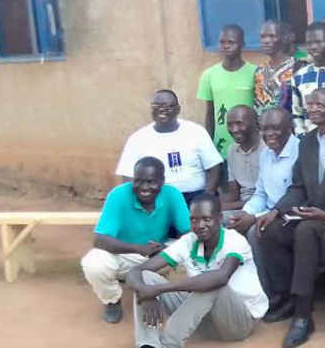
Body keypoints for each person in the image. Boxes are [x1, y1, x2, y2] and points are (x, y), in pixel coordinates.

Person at [256, 88, 325, 348]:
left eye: (321, 104)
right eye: (310, 104)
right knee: (270, 230)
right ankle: (287, 298)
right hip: (310, 212)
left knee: (306, 231)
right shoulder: (306, 141)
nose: (314, 108)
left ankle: (303, 315)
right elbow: (297, 187)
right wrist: (275, 210)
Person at [125, 193, 267, 348]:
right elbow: (136, 271)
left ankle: (168, 344)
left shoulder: (234, 240)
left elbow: (220, 278)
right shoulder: (188, 241)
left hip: (239, 321)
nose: (200, 225)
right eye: (194, 219)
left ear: (219, 219)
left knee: (212, 284)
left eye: (207, 219)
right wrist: (145, 292)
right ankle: (148, 344)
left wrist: (157, 290)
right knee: (146, 277)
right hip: (204, 319)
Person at [81, 157, 191, 324]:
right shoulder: (119, 195)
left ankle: (177, 297)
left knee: (191, 254)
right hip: (125, 253)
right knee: (93, 263)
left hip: (158, 252)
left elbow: (189, 232)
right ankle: (111, 300)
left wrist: (166, 249)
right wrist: (138, 248)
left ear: (162, 181)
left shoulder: (172, 194)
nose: (144, 188)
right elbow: (100, 240)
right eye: (138, 181)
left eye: (151, 182)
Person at [227, 107, 300, 305]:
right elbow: (260, 193)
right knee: (226, 221)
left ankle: (269, 295)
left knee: (255, 231)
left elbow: (296, 196)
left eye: (275, 128)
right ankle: (232, 289)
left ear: (290, 128)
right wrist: (246, 213)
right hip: (265, 210)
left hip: (290, 214)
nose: (269, 134)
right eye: (265, 129)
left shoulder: (299, 153)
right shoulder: (267, 154)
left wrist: (255, 217)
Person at [116, 90, 223, 204]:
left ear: (178, 109)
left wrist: (208, 195)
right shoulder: (137, 139)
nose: (162, 109)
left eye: (167, 106)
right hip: (156, 200)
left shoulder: (196, 132)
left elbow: (214, 167)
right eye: (157, 106)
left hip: (195, 197)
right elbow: (127, 176)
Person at [197, 24, 258, 157]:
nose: (226, 46)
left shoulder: (255, 73)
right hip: (221, 149)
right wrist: (208, 147)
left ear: (242, 44)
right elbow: (210, 113)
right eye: (222, 42)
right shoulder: (209, 75)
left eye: (231, 42)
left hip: (250, 146)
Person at [254, 20, 309, 114]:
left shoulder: (299, 67)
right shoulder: (260, 71)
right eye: (263, 37)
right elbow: (257, 106)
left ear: (283, 38)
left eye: (272, 36)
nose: (266, 41)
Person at [220, 105, 265, 212]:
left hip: (265, 205)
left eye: (239, 123)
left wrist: (230, 206)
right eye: (229, 125)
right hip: (243, 205)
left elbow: (271, 195)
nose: (234, 129)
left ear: (256, 124)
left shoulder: (267, 149)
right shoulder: (232, 150)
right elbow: (233, 191)